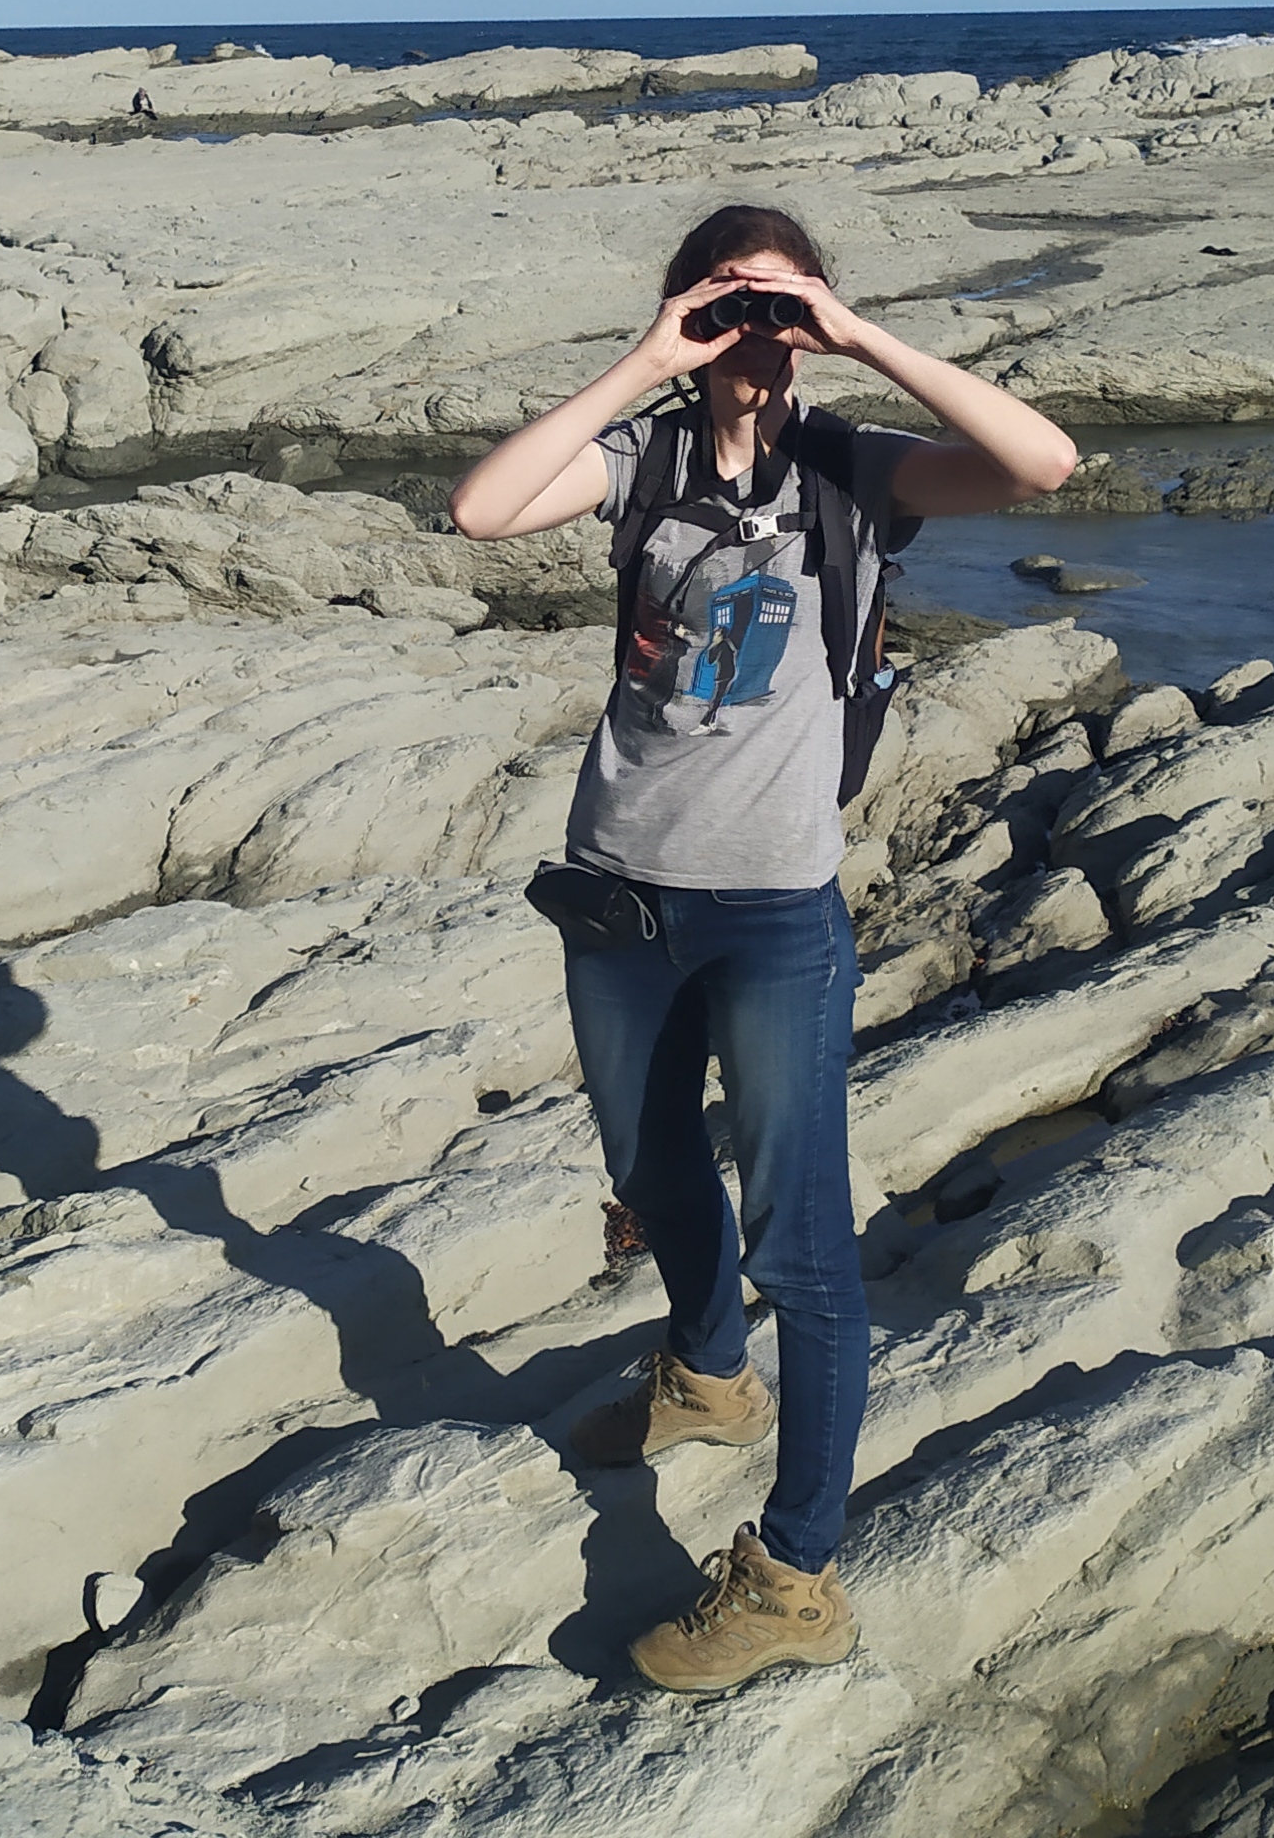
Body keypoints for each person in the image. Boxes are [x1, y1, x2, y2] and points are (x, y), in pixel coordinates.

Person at [448, 202, 1078, 1692]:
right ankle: (709, 1376)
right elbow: (481, 512)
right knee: (653, 1168)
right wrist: (643, 357)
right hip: (619, 896)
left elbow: (1043, 461)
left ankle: (796, 1570)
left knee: (803, 1240)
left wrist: (847, 330)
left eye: (769, 308)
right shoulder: (643, 464)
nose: (747, 337)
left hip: (777, 911)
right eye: (721, 307)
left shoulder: (855, 471)